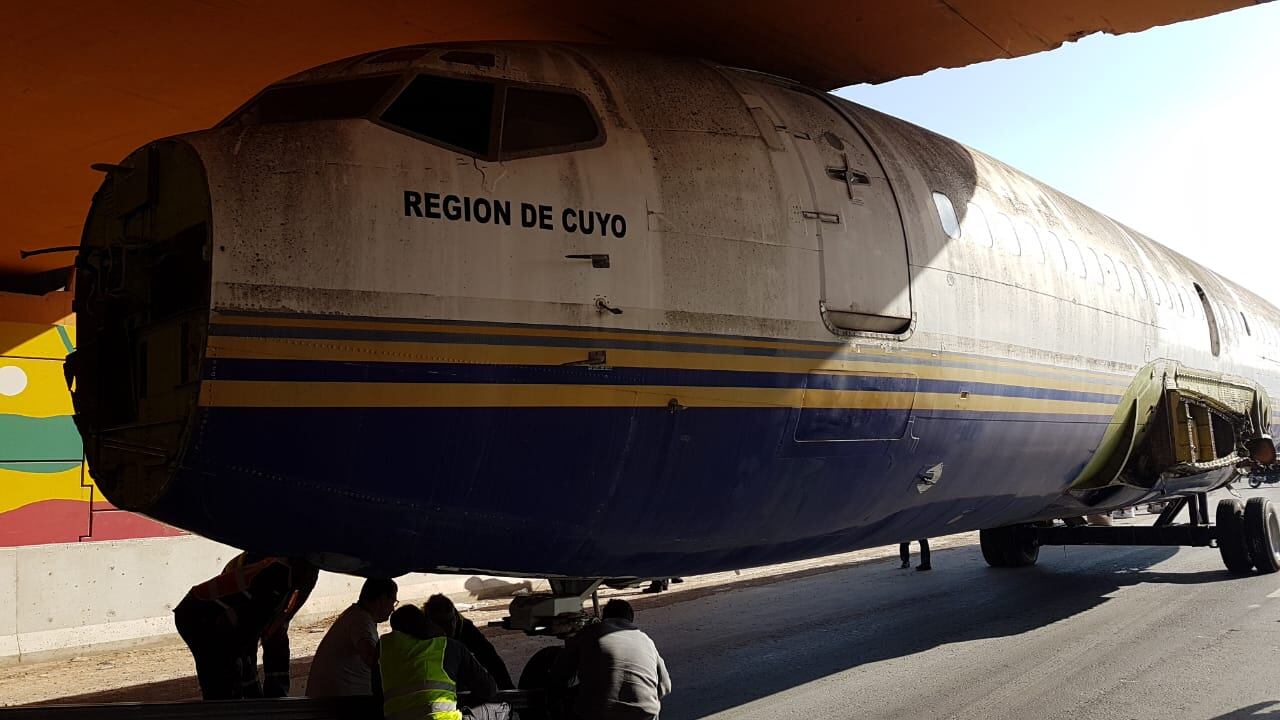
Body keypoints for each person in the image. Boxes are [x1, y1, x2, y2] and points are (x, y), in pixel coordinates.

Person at [173, 553, 318, 699]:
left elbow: (276, 627)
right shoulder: (275, 577)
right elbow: (245, 636)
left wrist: (275, 698)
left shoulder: (303, 575)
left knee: (265, 646)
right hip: (199, 616)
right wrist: (253, 697)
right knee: (224, 676)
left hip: (227, 608)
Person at [378, 605, 507, 720]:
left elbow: (377, 691)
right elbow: (488, 689)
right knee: (502, 709)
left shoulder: (383, 649)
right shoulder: (448, 646)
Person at [550, 599, 671, 720]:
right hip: (645, 714)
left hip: (599, 714)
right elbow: (665, 687)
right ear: (630, 620)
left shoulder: (590, 632)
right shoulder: (647, 641)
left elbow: (559, 674)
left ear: (604, 617)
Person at [306, 578, 399, 698]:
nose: (393, 609)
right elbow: (371, 657)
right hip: (339, 704)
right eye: (393, 602)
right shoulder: (361, 621)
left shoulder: (356, 616)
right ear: (382, 599)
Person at [423, 594, 515, 689]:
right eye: (442, 624)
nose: (449, 627)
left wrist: (507, 688)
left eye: (451, 621)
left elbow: (491, 659)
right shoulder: (420, 635)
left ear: (455, 616)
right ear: (430, 623)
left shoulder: (465, 628)